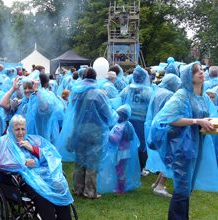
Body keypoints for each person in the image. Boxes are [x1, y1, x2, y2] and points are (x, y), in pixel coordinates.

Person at [151, 62, 218, 220]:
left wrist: (209, 123)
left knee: (187, 189)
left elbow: (207, 116)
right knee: (182, 189)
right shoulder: (182, 95)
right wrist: (197, 122)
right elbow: (168, 119)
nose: (201, 73)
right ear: (188, 77)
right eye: (196, 72)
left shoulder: (202, 97)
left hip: (197, 145)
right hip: (182, 147)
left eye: (201, 70)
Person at [0, 115, 73, 220]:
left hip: (40, 175)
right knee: (43, 194)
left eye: (23, 129)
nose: (20, 132)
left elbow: (51, 155)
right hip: (21, 180)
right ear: (11, 129)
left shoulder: (32, 139)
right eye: (17, 129)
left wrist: (32, 149)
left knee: (59, 185)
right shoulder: (4, 142)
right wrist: (23, 163)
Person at [55, 68, 118, 199]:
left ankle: (77, 189)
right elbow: (108, 113)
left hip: (79, 129)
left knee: (80, 160)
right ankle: (90, 192)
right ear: (95, 77)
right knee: (93, 161)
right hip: (95, 131)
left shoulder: (76, 93)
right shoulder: (98, 94)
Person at [145, 74, 182, 198]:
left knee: (163, 157)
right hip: (164, 128)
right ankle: (160, 186)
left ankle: (157, 184)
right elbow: (170, 114)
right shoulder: (169, 95)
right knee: (169, 156)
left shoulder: (158, 91)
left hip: (156, 127)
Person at [97, 104, 141, 194]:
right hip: (126, 151)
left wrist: (107, 134)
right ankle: (121, 186)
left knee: (119, 170)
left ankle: (120, 189)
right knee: (123, 169)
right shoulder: (128, 124)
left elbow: (115, 140)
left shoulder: (118, 127)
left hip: (120, 152)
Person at [119, 65, 154, 176]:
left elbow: (120, 100)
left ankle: (128, 166)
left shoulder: (127, 88)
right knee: (142, 145)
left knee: (128, 142)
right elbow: (152, 106)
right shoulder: (148, 91)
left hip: (128, 119)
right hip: (142, 121)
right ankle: (139, 168)